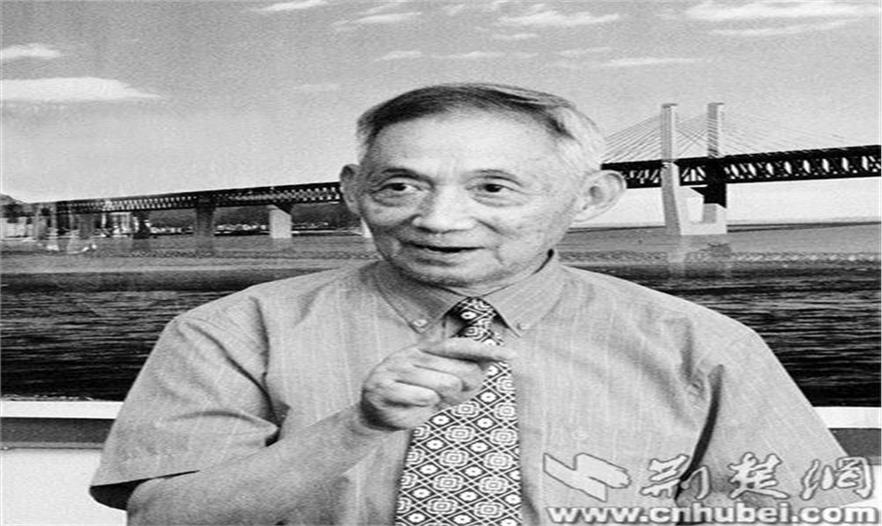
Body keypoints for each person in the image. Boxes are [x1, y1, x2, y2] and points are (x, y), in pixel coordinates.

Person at [91, 83, 863, 525]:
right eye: (400, 185)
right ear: (353, 191)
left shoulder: (702, 346)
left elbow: (809, 513)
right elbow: (163, 519)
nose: (438, 219)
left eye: (493, 188)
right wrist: (357, 428)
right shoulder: (232, 332)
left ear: (591, 197)